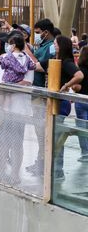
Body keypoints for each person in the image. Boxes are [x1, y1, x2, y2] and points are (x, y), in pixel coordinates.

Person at [0, 31, 36, 185]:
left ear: (13, 44)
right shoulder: (28, 60)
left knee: (5, 141)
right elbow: (27, 82)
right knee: (16, 142)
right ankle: (13, 174)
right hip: (20, 108)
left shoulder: (4, 58)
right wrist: (14, 86)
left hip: (7, 109)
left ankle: (5, 172)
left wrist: (7, 88)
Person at [24, 18, 56, 176]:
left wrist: (25, 49)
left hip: (41, 93)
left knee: (43, 130)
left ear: (46, 32)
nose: (36, 36)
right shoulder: (43, 45)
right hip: (35, 91)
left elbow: (41, 65)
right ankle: (40, 161)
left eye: (37, 33)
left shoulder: (51, 47)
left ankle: (45, 164)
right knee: (38, 131)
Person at [53, 36, 85, 179]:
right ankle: (56, 169)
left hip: (62, 103)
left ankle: (58, 171)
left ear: (61, 46)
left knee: (57, 135)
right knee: (55, 135)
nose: (54, 46)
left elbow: (79, 75)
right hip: (59, 102)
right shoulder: (58, 61)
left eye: (55, 44)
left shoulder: (66, 62)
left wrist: (66, 85)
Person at [74, 46, 88, 162]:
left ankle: (85, 153)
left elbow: (77, 87)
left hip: (82, 101)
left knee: (82, 128)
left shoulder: (80, 71)